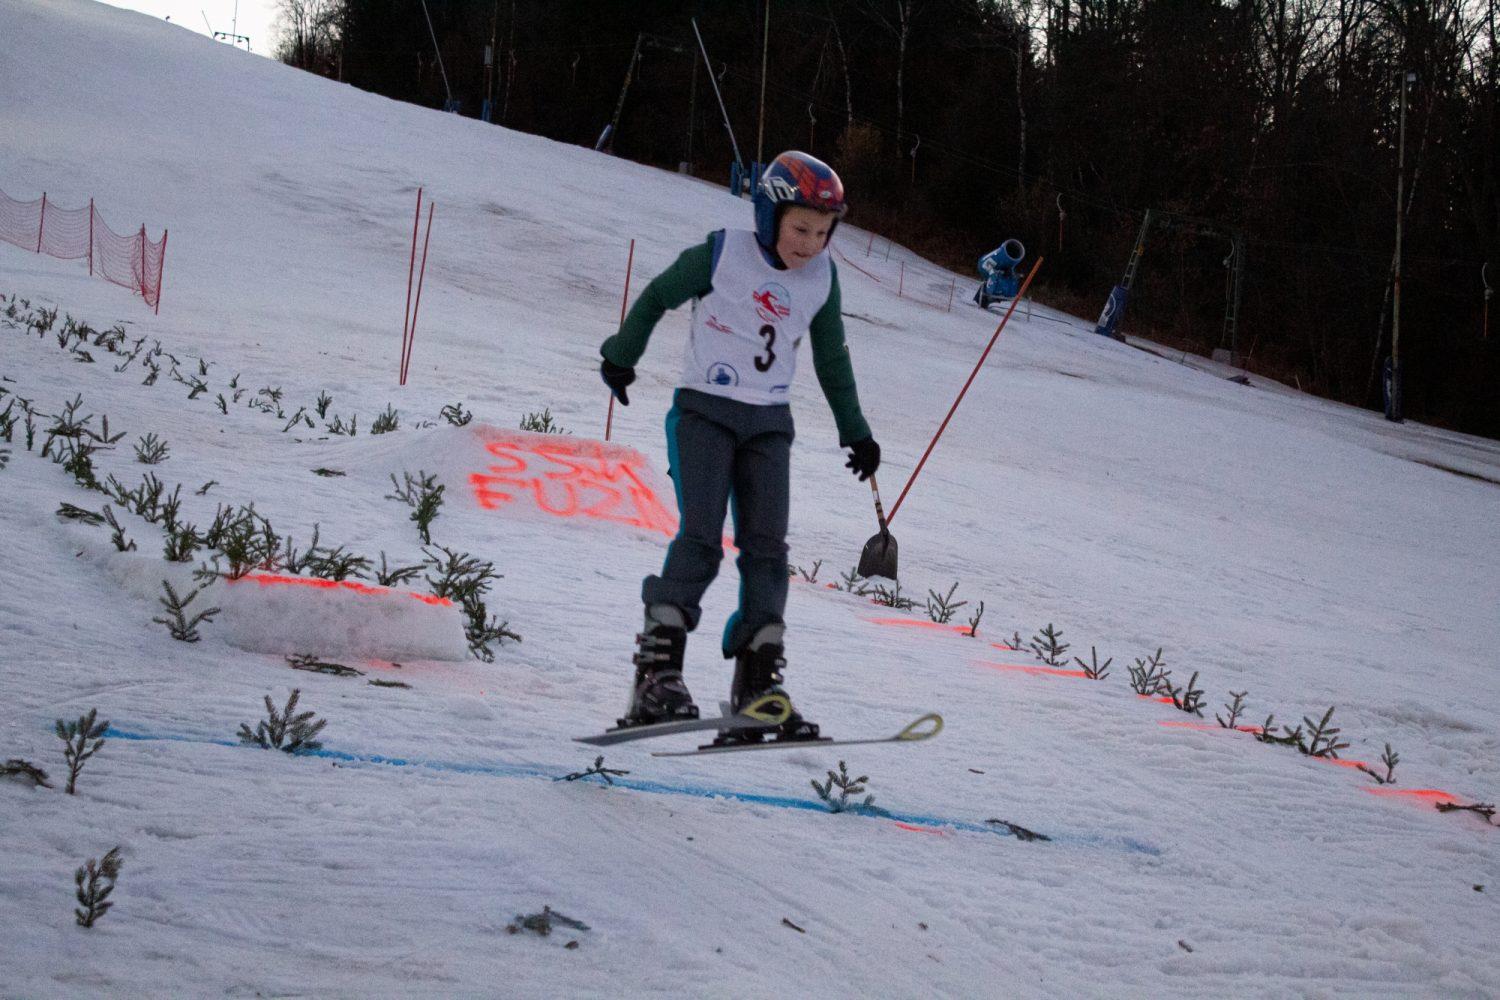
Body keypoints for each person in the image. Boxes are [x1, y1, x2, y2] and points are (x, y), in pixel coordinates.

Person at [598, 150, 880, 744]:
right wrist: (621, 355)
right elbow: (657, 296)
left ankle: (758, 688)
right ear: (768, 215)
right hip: (704, 412)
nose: (810, 245)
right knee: (701, 537)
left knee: (768, 550)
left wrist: (856, 430)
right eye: (800, 229)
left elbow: (832, 357)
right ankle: (656, 678)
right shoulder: (723, 254)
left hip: (769, 424)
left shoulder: (821, 279)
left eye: (823, 233)